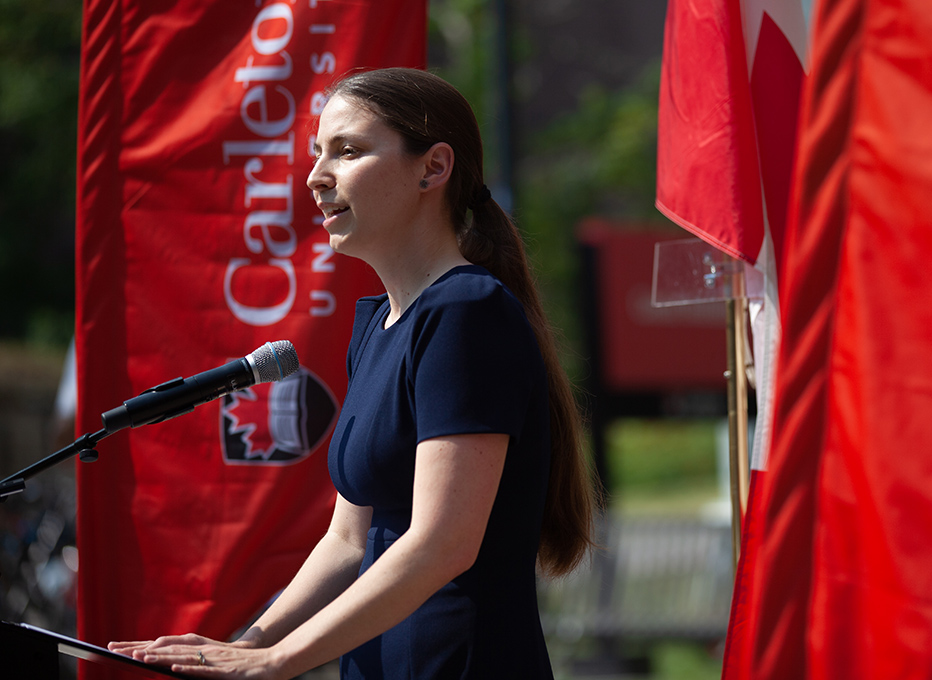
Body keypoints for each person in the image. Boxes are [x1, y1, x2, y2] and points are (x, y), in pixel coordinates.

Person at [109, 67, 598, 679]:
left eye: (347, 150)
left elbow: (443, 543)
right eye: (318, 153)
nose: (316, 177)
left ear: (433, 168)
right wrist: (246, 644)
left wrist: (279, 662)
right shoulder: (378, 326)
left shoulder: (467, 313)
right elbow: (347, 542)